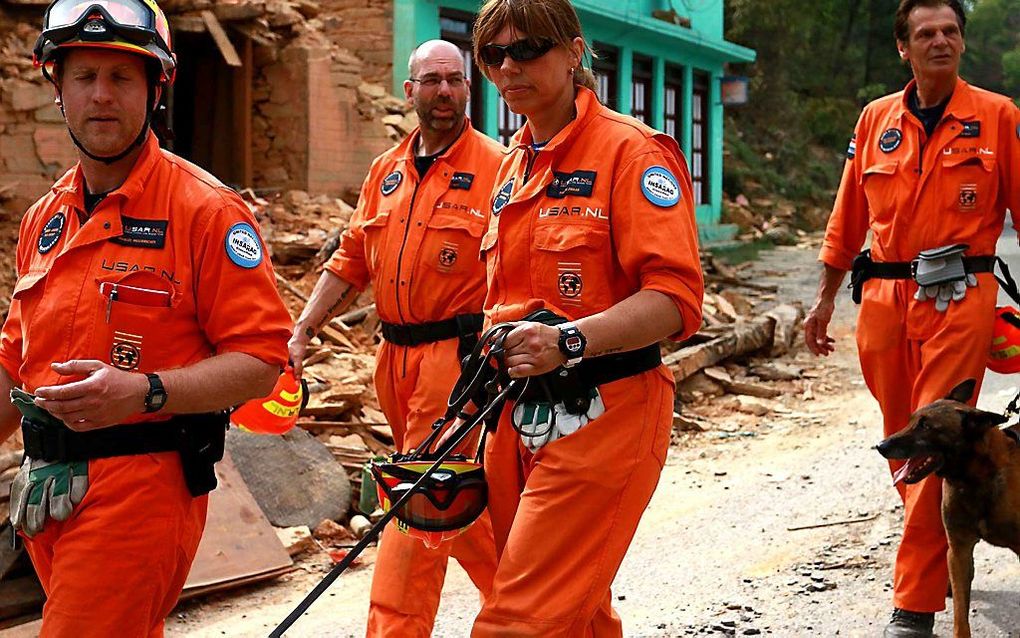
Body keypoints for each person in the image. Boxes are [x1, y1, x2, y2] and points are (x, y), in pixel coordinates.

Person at [0, 0, 292, 634]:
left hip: (141, 491)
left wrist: (145, 391)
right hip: (46, 488)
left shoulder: (205, 212)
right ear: (58, 90)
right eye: (84, 76)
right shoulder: (44, 220)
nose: (101, 96)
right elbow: (13, 364)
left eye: (122, 77)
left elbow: (262, 364)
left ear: (156, 88)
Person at [464, 1, 704, 635]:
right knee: (574, 612)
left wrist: (569, 340)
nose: (509, 66)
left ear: (574, 52)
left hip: (607, 412)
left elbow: (676, 300)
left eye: (529, 49)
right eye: (493, 55)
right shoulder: (513, 168)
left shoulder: (631, 154)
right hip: (516, 417)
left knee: (517, 617)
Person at [803, 1, 1020, 636]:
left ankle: (916, 602)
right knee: (905, 443)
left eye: (951, 31)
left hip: (961, 299)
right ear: (904, 47)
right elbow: (847, 217)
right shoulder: (876, 119)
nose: (940, 42)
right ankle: (949, 535)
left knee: (935, 437)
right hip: (882, 305)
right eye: (926, 33)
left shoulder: (998, 117)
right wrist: (823, 299)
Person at [288, 40, 501, 638]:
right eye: (430, 80)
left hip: (457, 362)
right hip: (393, 361)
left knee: (421, 501)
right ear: (408, 91)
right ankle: (552, 612)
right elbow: (351, 259)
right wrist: (303, 329)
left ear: (468, 89)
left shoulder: (498, 168)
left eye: (454, 80)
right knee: (458, 504)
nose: (442, 92)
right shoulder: (386, 171)